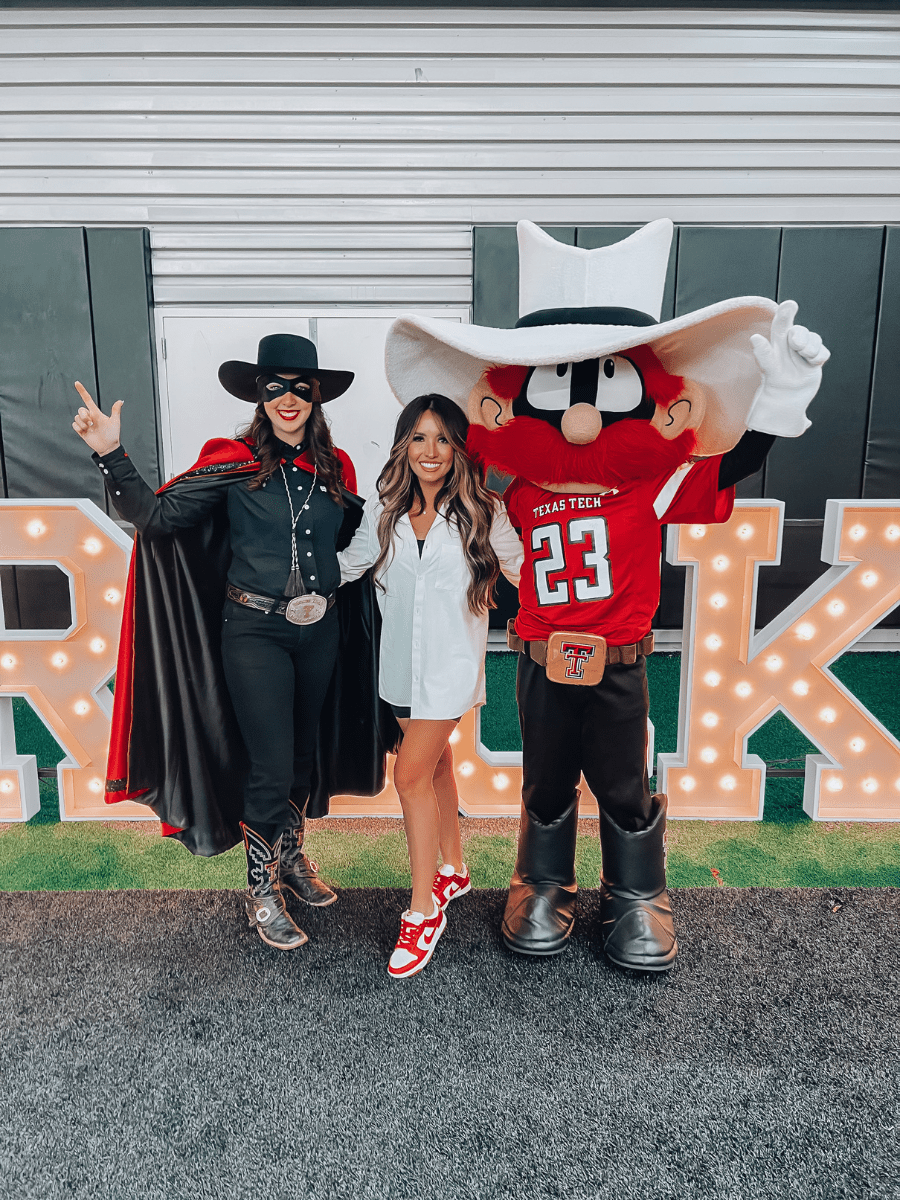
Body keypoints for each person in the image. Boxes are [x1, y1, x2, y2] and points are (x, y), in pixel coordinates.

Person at [71, 333, 380, 952]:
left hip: (319, 629)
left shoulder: (334, 468)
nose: (288, 400)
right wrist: (112, 454)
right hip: (254, 632)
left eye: (301, 389)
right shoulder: (231, 461)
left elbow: (349, 535)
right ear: (259, 396)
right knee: (269, 760)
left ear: (317, 398)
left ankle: (290, 857)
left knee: (301, 754)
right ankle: (259, 890)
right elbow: (157, 519)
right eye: (276, 388)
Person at [338, 394, 523, 978]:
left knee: (410, 775)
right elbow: (349, 565)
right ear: (403, 446)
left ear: (459, 449)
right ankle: (455, 869)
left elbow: (528, 568)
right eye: (419, 438)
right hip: (397, 670)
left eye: (443, 438)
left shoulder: (485, 512)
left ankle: (423, 911)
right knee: (437, 764)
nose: (431, 451)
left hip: (448, 671)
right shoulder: (384, 510)